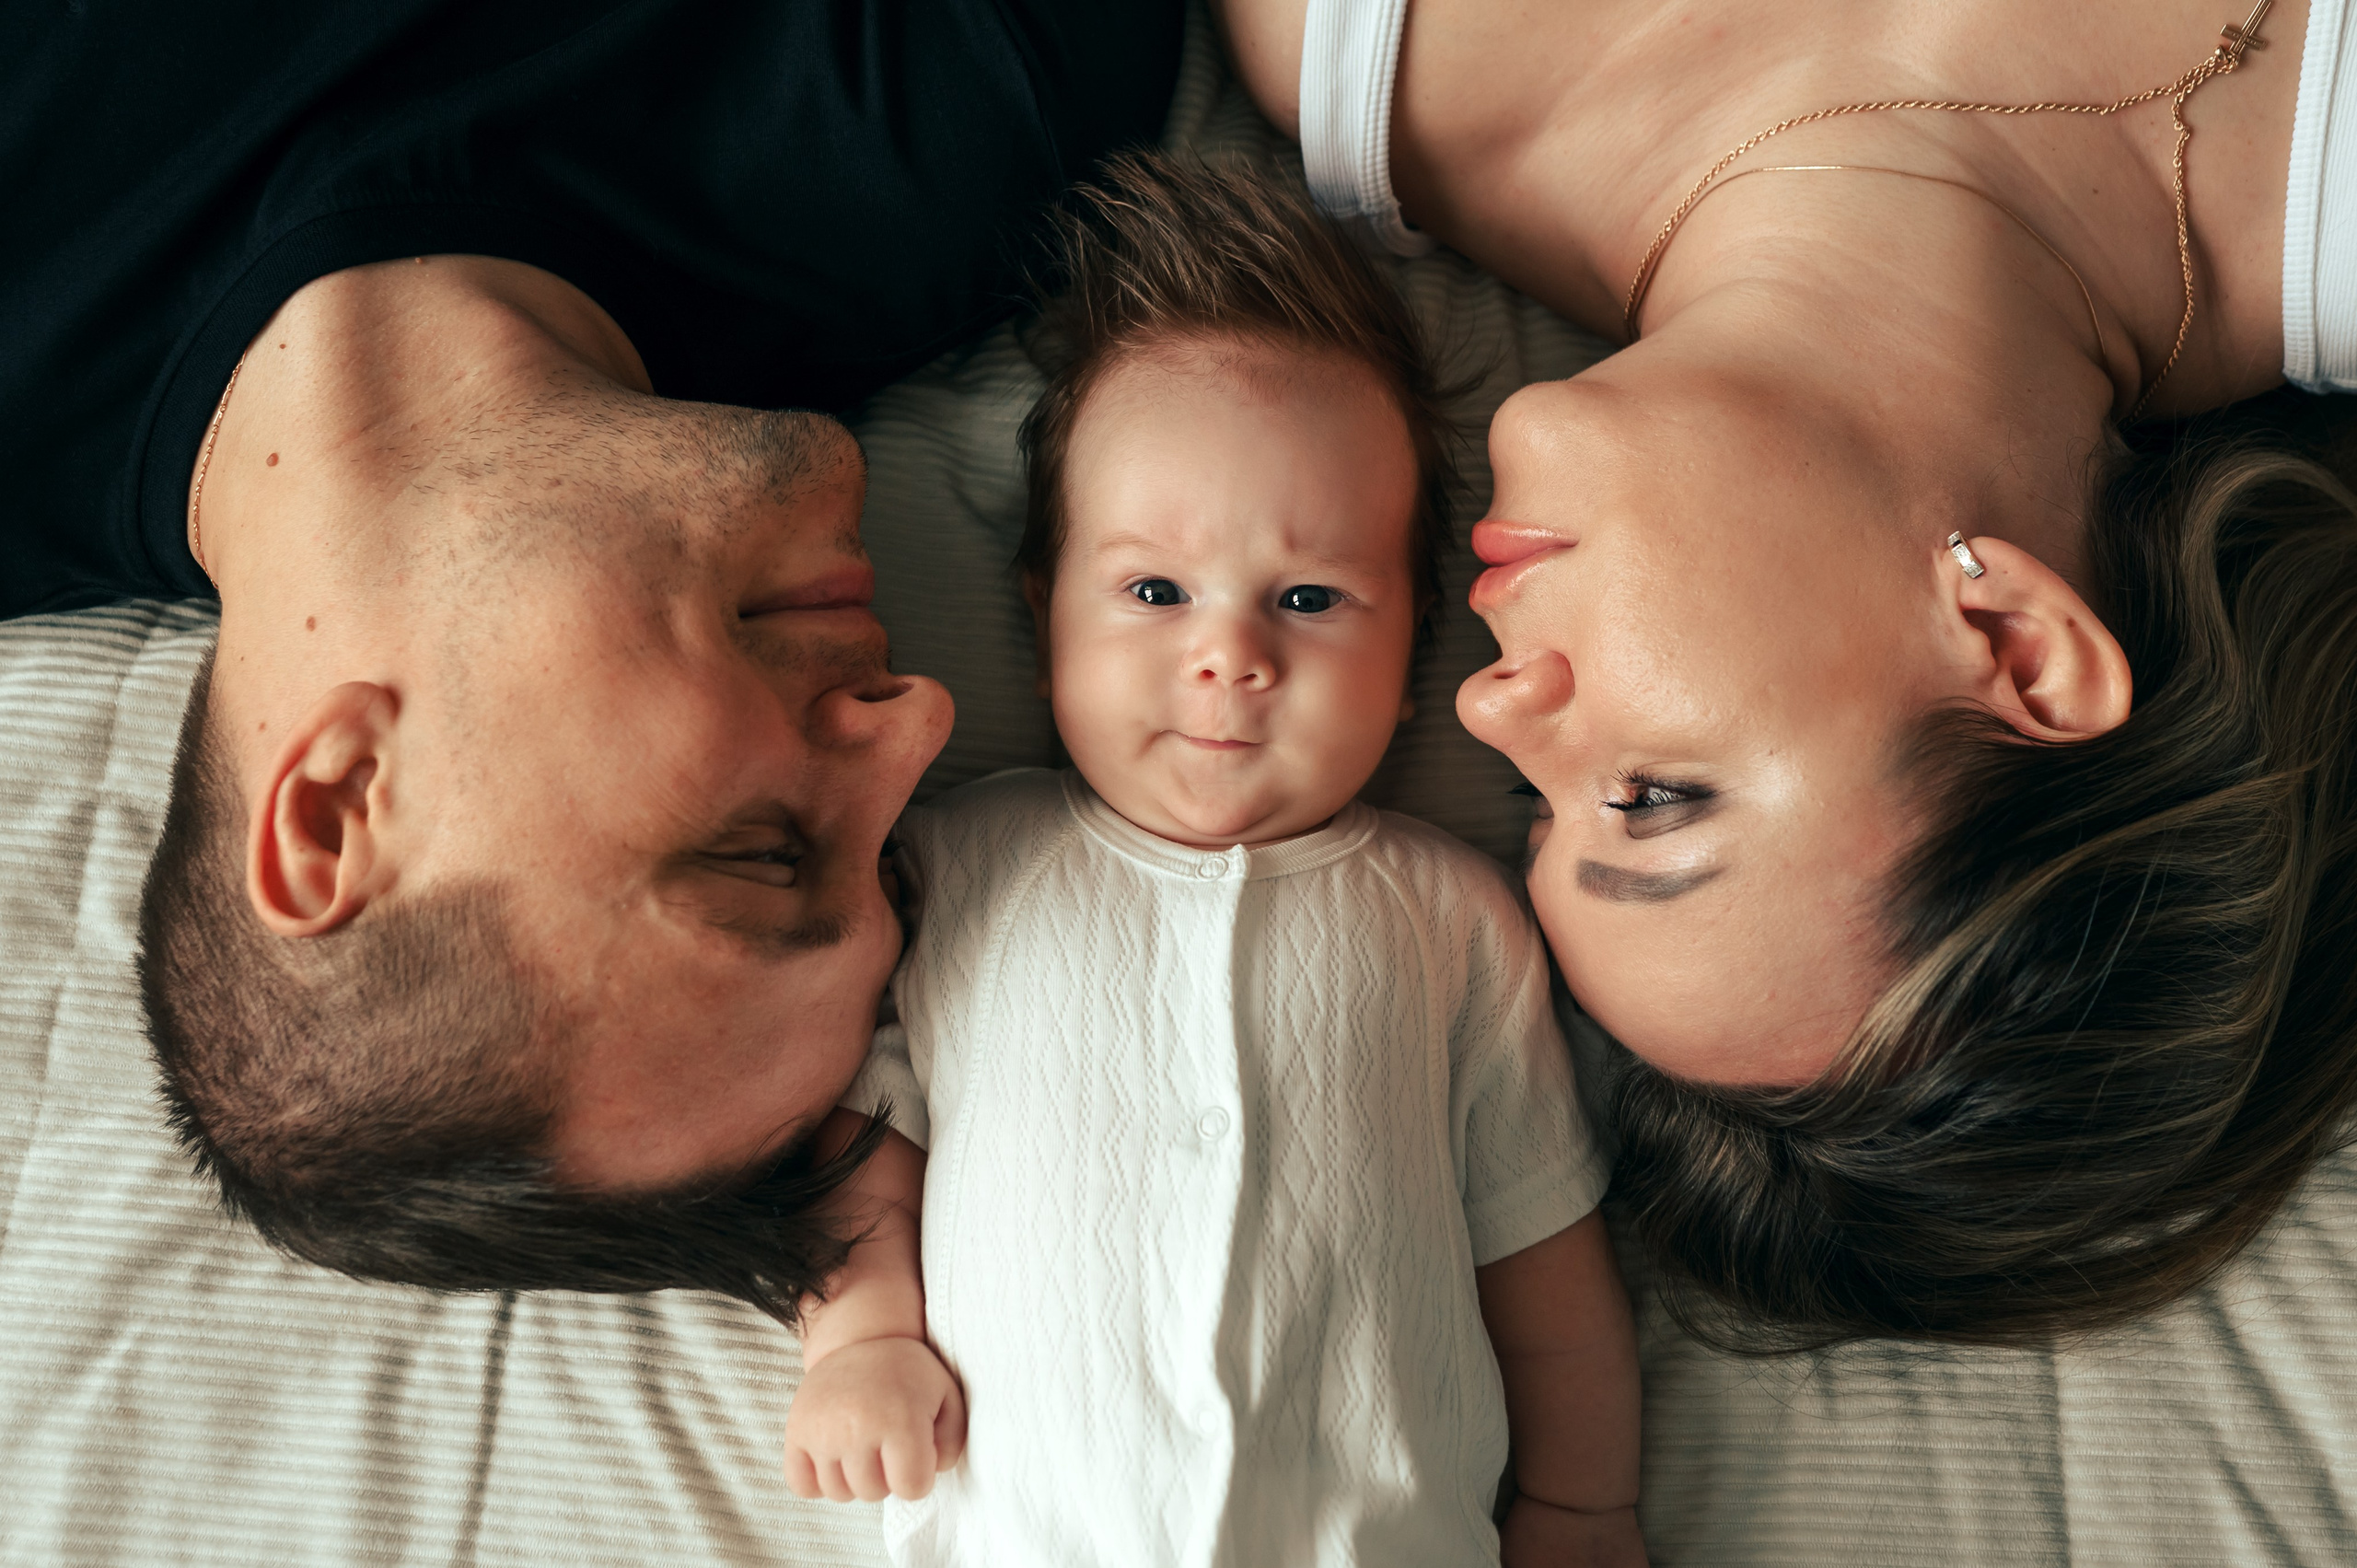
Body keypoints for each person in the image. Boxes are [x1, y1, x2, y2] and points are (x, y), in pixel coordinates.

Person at [1, 0, 1181, 1307]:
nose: (917, 721)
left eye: (762, 852)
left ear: (338, 809)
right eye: (886, 861)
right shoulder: (955, 129)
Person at [1213, 0, 2357, 1344]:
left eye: (1544, 809)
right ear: (2014, 650)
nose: (1490, 703)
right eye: (1649, 798)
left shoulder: (1359, 46)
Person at [776, 157, 1645, 1567]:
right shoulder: (954, 865)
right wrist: (861, 1337)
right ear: (1040, 607)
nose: (1231, 651)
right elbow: (862, 1134)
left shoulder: (1453, 917)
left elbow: (1542, 1255)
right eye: (1153, 591)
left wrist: (1582, 1504)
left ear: (1415, 652)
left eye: (1309, 598)